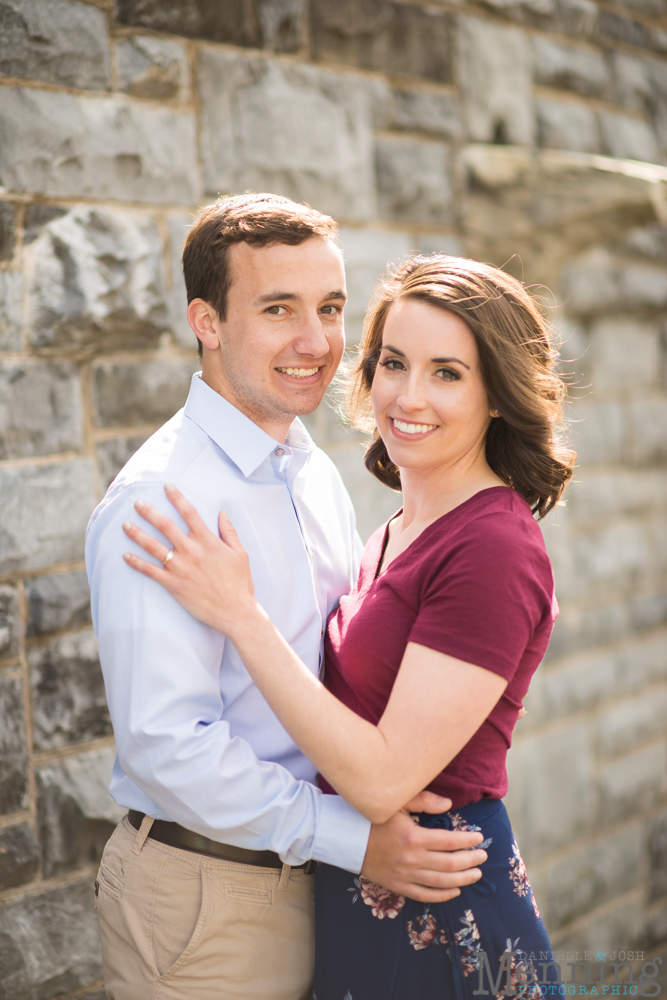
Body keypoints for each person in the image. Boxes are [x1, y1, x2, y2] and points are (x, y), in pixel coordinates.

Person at [123, 252, 576, 1000]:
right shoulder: (399, 527)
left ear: (498, 394)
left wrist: (241, 616)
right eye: (393, 363)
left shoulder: (492, 546)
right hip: (363, 897)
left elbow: (380, 779)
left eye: (447, 373)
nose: (407, 395)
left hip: (440, 912)